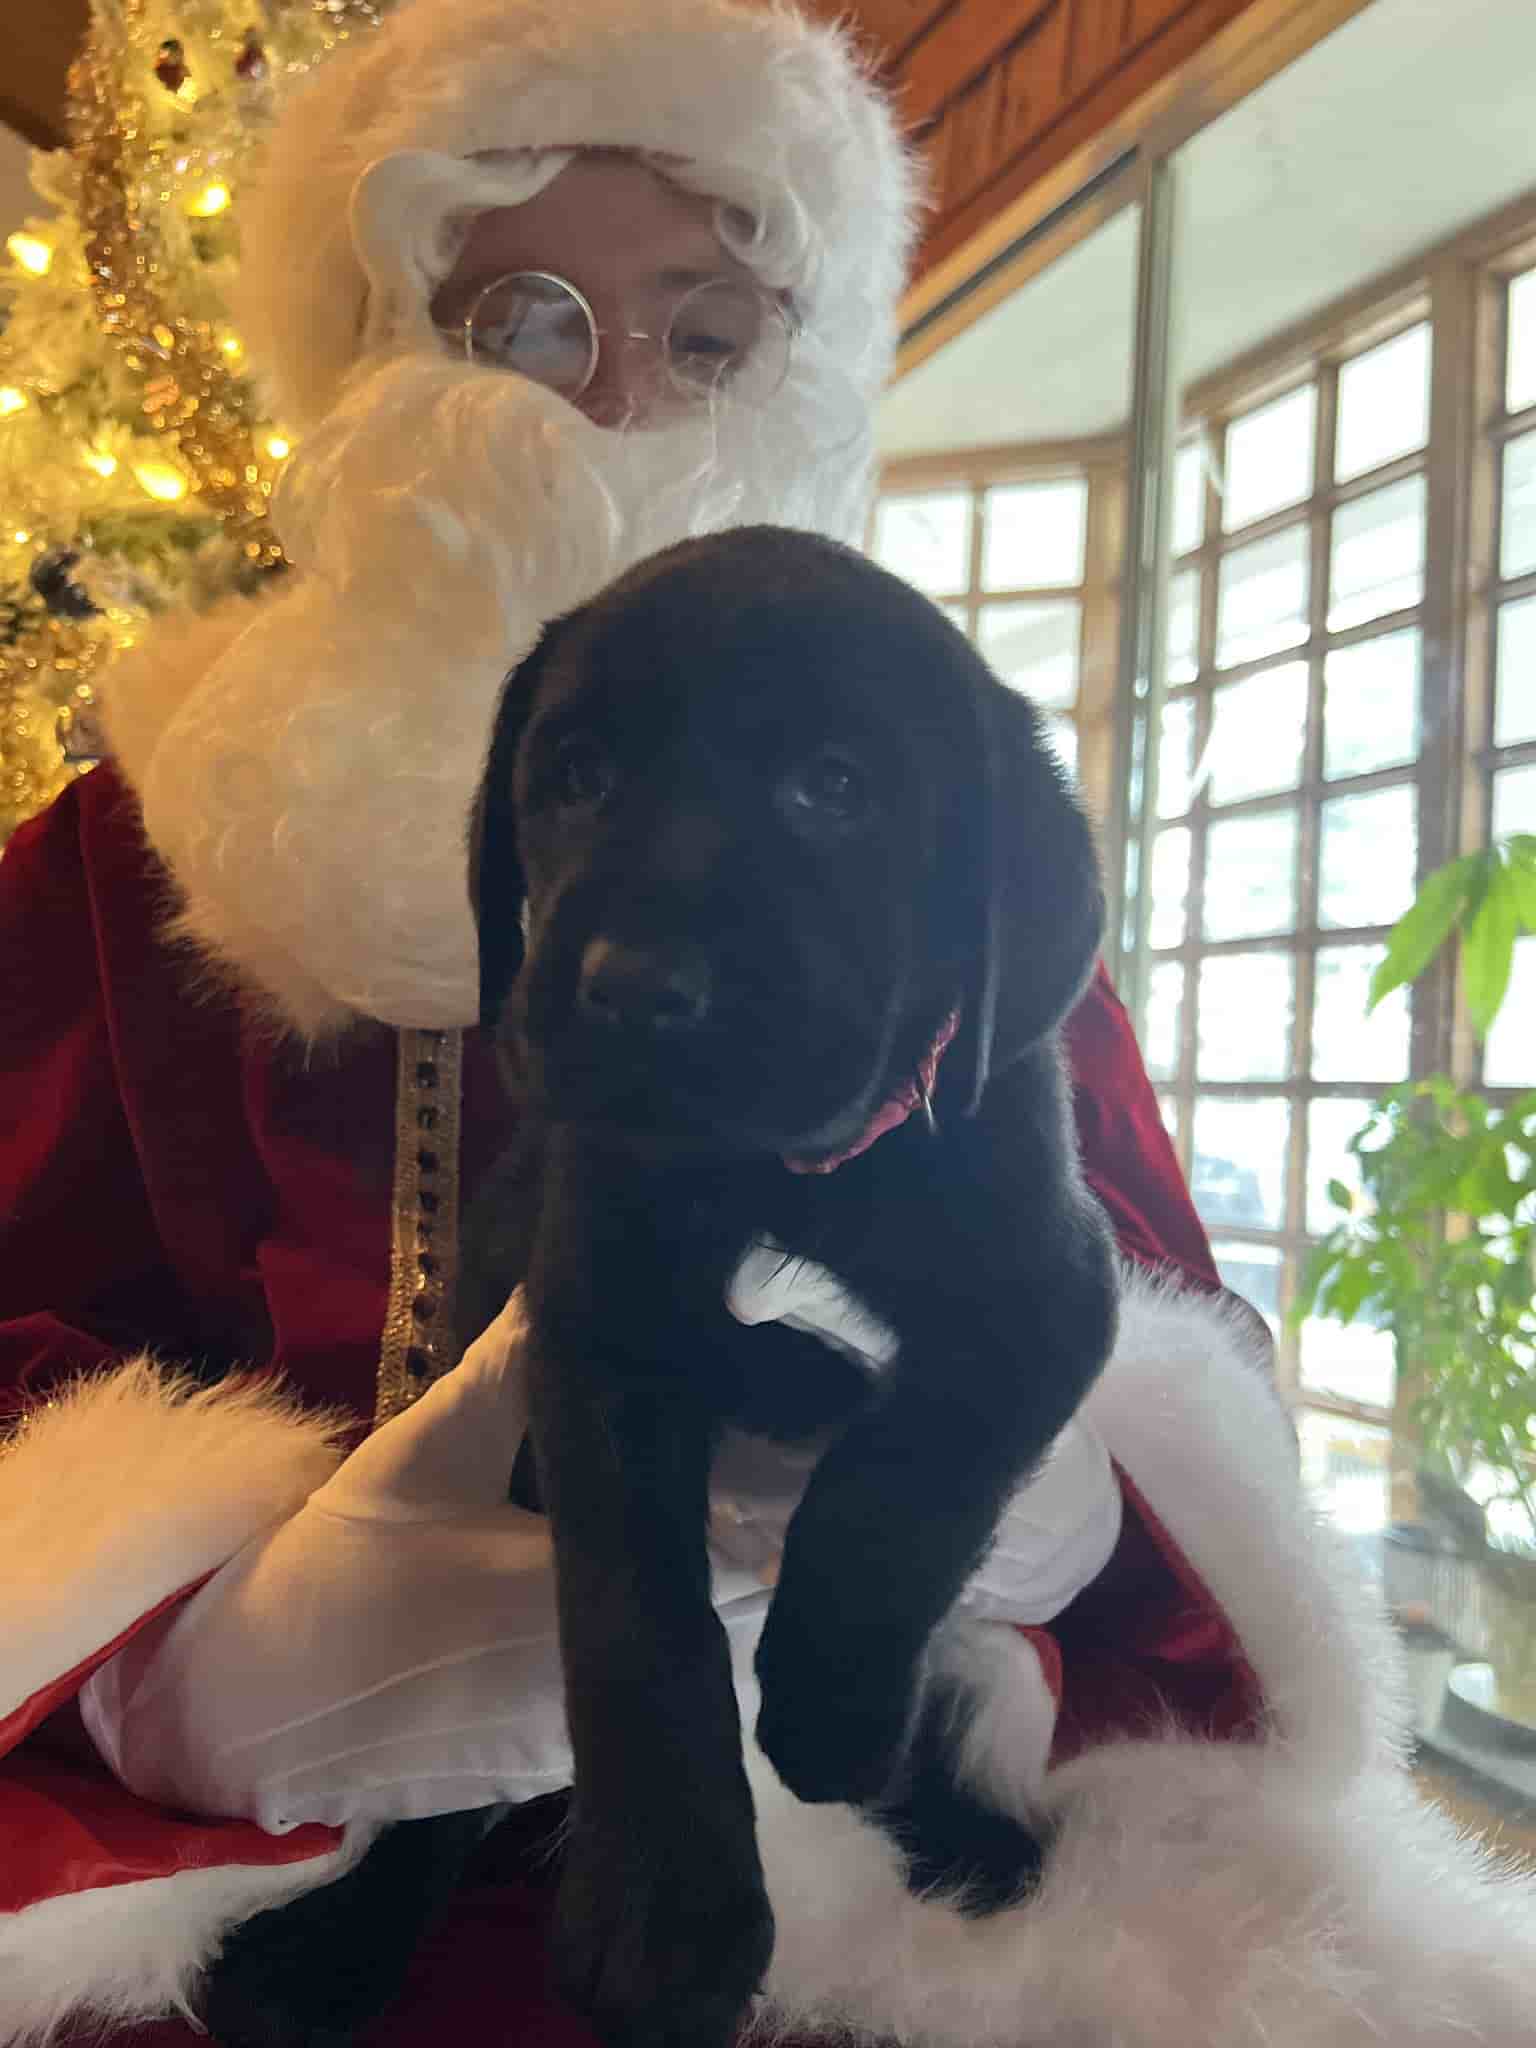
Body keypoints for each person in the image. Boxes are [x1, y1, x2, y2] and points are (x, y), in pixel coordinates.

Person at [2, 2, 1533, 2044]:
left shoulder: (939, 814)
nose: (618, 396)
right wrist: (195, 1661)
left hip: (874, 1895)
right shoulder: (116, 857)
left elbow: (1158, 1334)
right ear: (380, 356)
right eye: (526, 320)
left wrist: (1040, 1499)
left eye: (707, 330)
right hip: (251, 1925)